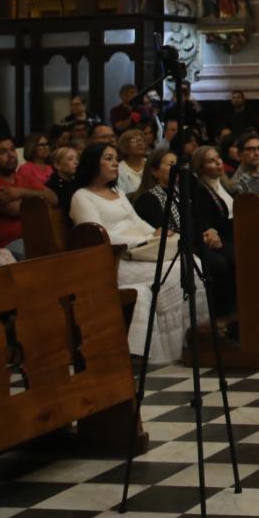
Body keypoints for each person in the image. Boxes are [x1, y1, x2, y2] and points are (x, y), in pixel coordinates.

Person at [69, 143, 202, 364]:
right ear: (93, 163)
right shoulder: (82, 197)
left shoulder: (117, 192)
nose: (115, 163)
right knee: (170, 272)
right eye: (108, 158)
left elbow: (135, 221)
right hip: (113, 261)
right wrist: (145, 240)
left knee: (190, 261)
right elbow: (98, 236)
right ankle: (167, 347)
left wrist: (156, 233)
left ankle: (191, 337)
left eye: (115, 158)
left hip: (136, 251)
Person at [135, 146, 238, 316]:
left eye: (177, 164)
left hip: (198, 239)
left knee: (235, 255)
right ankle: (219, 315)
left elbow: (198, 218)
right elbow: (166, 231)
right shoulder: (149, 198)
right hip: (179, 247)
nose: (177, 169)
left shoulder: (180, 192)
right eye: (170, 165)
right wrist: (201, 237)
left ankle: (237, 313)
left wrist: (210, 230)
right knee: (218, 264)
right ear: (154, 171)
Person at [0, 135, 55, 260]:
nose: (10, 155)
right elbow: (18, 210)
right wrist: (35, 198)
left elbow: (53, 198)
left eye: (12, 149)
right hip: (5, 245)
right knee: (38, 255)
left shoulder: (22, 178)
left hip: (33, 237)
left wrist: (20, 192)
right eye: (2, 152)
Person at [37, 144, 81, 210]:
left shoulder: (78, 183)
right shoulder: (52, 187)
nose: (76, 162)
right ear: (57, 165)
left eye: (77, 159)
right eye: (70, 159)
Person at [115, 129, 149, 195]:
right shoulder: (119, 169)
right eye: (134, 141)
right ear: (125, 146)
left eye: (142, 140)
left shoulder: (151, 163)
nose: (140, 144)